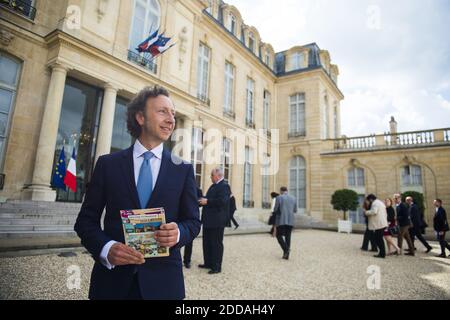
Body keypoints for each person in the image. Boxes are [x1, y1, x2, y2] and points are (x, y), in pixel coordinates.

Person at [74, 86, 201, 300]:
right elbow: (85, 222)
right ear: (140, 117)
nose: (171, 119)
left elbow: (193, 222)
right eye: (162, 111)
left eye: (173, 113)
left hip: (164, 286)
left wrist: (178, 232)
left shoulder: (183, 169)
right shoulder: (108, 165)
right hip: (112, 285)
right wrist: (107, 248)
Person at [198, 168, 231, 274]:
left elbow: (223, 201)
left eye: (212, 175)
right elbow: (208, 199)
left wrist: (207, 201)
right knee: (206, 242)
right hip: (208, 220)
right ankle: (208, 262)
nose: (210, 177)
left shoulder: (225, 186)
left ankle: (216, 266)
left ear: (218, 175)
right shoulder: (213, 186)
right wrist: (200, 200)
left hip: (217, 220)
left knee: (216, 243)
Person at [273, 187, 297, 260]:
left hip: (281, 220)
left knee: (278, 235)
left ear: (281, 191)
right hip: (290, 220)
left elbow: (275, 209)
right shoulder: (293, 198)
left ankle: (286, 249)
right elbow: (295, 210)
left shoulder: (279, 197)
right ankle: (286, 255)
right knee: (288, 236)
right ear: (287, 190)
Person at [183, 187, 204, 269]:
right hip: (178, 215)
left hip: (190, 217)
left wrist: (194, 202)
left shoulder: (198, 190)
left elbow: (201, 203)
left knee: (189, 241)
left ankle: (187, 261)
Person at [364, 194, 388, 258]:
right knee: (379, 239)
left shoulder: (375, 203)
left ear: (371, 199)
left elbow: (374, 211)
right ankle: (382, 253)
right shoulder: (380, 202)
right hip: (382, 223)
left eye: (369, 200)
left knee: (378, 239)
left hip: (379, 224)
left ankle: (382, 254)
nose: (369, 202)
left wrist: (366, 212)